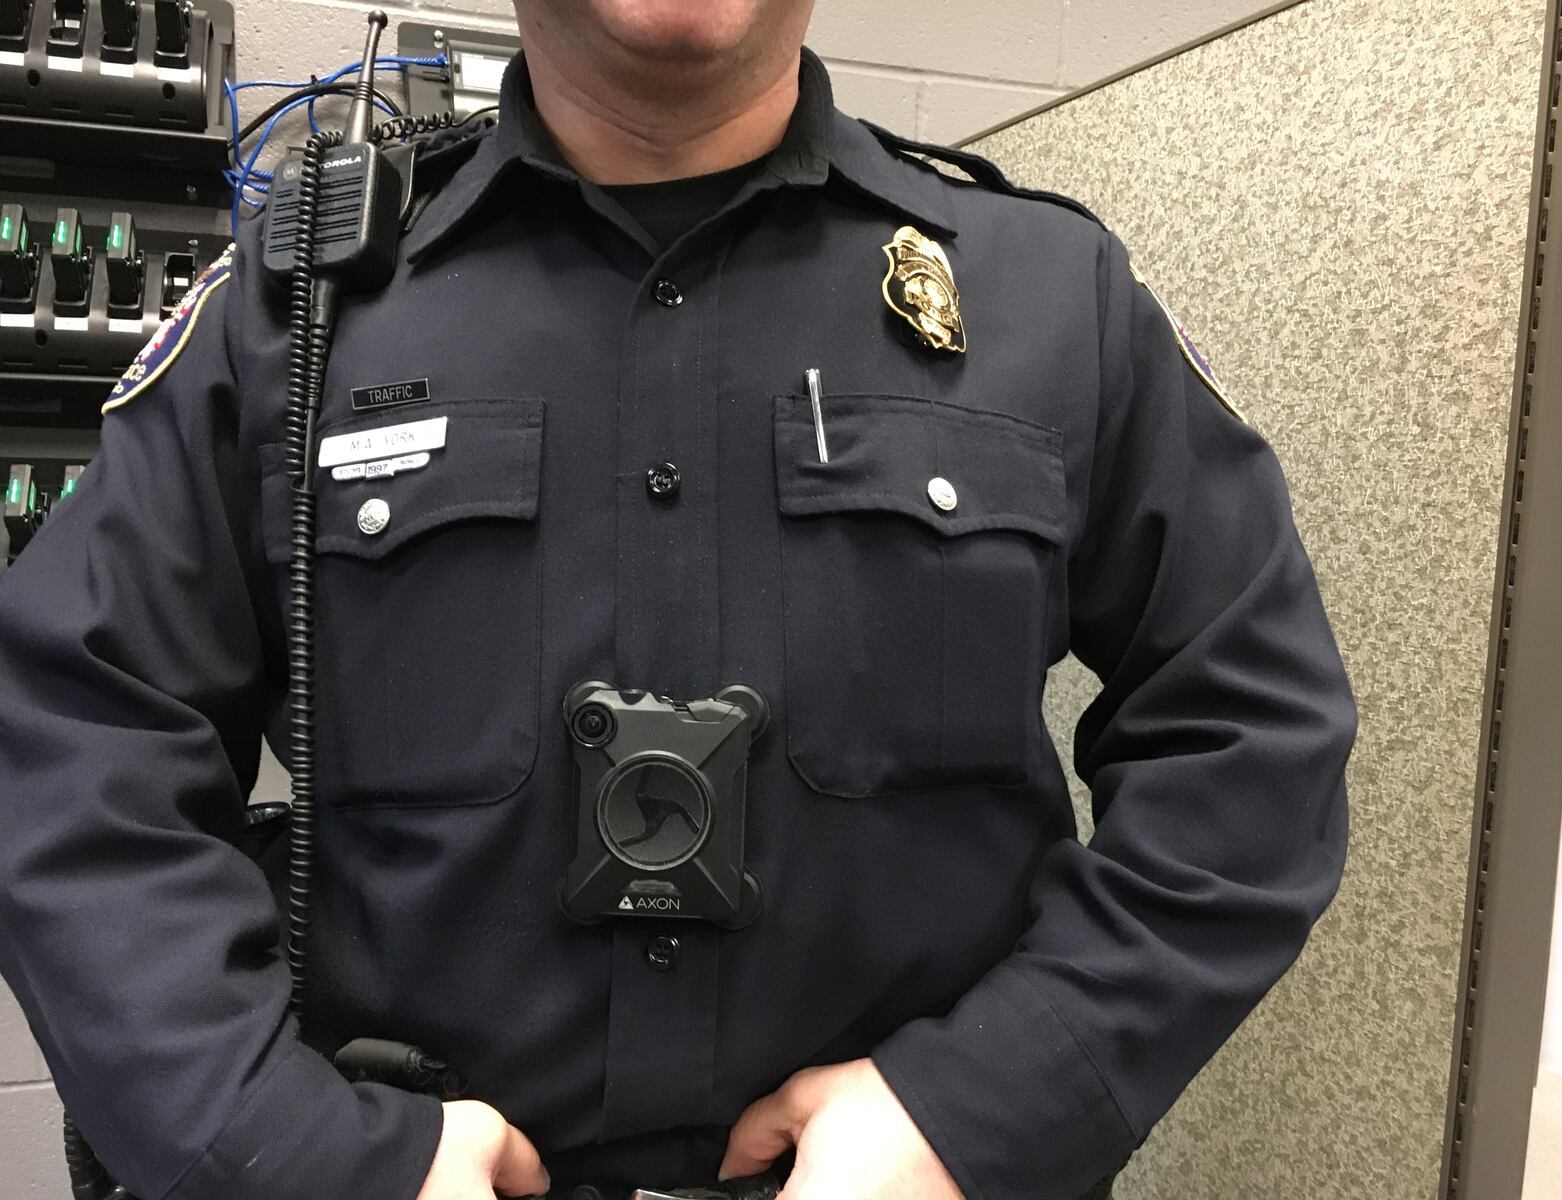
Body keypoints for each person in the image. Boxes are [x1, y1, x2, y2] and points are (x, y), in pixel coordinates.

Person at [0, 1, 1358, 1198]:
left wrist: (986, 1110)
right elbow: (66, 759)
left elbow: (1254, 739)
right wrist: (288, 1154)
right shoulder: (287, 325)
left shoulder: (1050, 300)